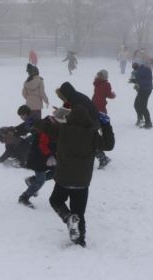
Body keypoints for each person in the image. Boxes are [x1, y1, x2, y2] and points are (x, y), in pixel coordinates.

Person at [35, 105, 97, 247]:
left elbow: (43, 126)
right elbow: (108, 144)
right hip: (82, 181)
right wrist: (106, 126)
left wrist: (46, 119)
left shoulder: (63, 131)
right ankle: (80, 241)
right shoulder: (92, 134)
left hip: (64, 179)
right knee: (79, 212)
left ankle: (68, 218)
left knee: (56, 200)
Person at [17, 120, 56, 209]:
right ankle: (24, 197)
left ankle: (32, 180)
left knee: (56, 172)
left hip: (47, 157)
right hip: (38, 159)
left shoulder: (56, 127)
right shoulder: (46, 131)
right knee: (41, 180)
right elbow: (42, 145)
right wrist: (50, 155)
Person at [92, 70, 115, 169]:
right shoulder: (100, 83)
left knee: (94, 133)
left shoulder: (102, 84)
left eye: (99, 75)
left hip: (99, 109)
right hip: (95, 108)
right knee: (93, 133)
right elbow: (108, 94)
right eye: (98, 74)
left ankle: (102, 157)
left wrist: (111, 95)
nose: (98, 76)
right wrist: (112, 95)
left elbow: (107, 94)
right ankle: (102, 157)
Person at [129, 60, 153, 129]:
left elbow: (146, 80)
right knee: (136, 105)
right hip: (142, 89)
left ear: (139, 64)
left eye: (134, 65)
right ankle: (141, 118)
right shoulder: (139, 70)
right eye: (133, 65)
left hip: (145, 90)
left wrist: (136, 82)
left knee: (143, 106)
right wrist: (134, 81)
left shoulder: (145, 70)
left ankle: (148, 122)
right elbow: (140, 79)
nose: (133, 67)